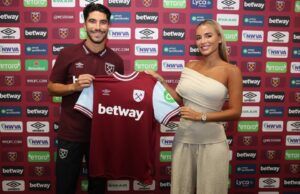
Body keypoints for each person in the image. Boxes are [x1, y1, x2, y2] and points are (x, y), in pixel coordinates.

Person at [145, 19, 242, 194]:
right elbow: (179, 100)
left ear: (219, 38)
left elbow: (235, 112)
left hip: (213, 142)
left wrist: (201, 116)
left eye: (208, 35)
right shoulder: (190, 65)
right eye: (198, 37)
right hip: (184, 139)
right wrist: (163, 82)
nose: (203, 41)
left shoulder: (231, 71)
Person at [47, 3, 124, 194]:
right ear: (84, 24)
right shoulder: (68, 54)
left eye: (103, 22)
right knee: (65, 187)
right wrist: (73, 86)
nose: (97, 27)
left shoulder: (116, 61)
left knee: (98, 188)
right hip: (71, 134)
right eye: (92, 21)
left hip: (101, 137)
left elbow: (118, 99)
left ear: (108, 26)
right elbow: (51, 87)